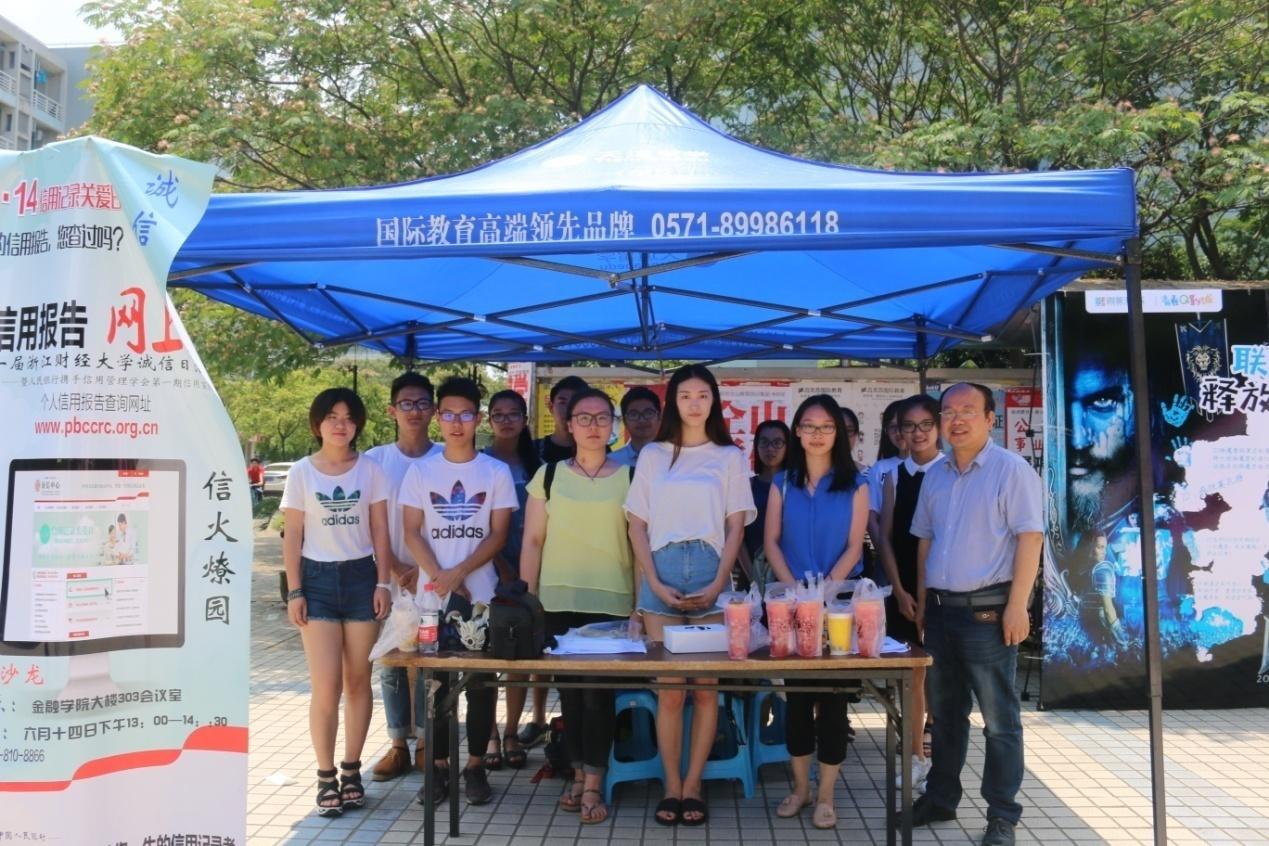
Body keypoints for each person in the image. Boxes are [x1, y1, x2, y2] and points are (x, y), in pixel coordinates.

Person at [909, 383, 1044, 846]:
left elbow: (1030, 538)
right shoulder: (936, 475)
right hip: (940, 612)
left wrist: (1018, 606)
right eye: (948, 412)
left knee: (999, 720)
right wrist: (922, 603)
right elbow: (925, 541)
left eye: (968, 410)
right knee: (945, 715)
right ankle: (940, 798)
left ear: (990, 419)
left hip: (989, 613)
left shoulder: (1011, 470)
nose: (956, 419)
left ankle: (1002, 816)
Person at [625, 364, 756, 827]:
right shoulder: (653, 455)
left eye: (703, 395)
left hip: (709, 568)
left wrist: (720, 582)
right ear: (673, 403)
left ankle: (694, 785)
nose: (694, 403)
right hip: (660, 568)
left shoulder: (729, 456)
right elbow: (636, 525)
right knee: (670, 692)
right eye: (685, 395)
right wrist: (653, 582)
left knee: (705, 689)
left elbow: (736, 526)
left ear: (714, 401)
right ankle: (671, 785)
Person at [399, 377, 518, 807]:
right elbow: (412, 532)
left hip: (481, 598)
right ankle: (439, 768)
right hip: (433, 599)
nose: (456, 422)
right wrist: (441, 576)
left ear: (477, 419)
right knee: (436, 686)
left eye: (465, 414)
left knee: (481, 684)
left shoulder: (495, 472)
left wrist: (462, 572)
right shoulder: (420, 472)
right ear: (437, 417)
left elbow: (498, 534)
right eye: (447, 414)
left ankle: (475, 766)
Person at [520, 388, 635, 824]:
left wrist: (641, 607)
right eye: (583, 417)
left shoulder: (630, 478)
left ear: (614, 426)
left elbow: (638, 546)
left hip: (612, 601)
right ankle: (578, 771)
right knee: (569, 694)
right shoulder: (548, 475)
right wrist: (528, 600)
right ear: (568, 425)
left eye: (602, 417)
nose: (593, 426)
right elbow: (533, 541)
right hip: (557, 600)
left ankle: (593, 782)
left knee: (598, 696)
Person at [281, 387, 393, 817]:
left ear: (358, 424)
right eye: (331, 416)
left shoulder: (371, 470)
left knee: (359, 680)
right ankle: (325, 776)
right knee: (326, 685)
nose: (340, 424)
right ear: (318, 423)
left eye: (348, 417)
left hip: (362, 578)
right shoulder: (301, 472)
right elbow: (293, 535)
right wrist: (295, 591)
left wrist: (383, 583)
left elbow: (380, 530)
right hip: (318, 581)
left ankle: (351, 771)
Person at [764, 394, 869, 830]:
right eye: (809, 425)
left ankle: (826, 794)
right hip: (791, 606)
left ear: (838, 434)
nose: (818, 434)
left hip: (839, 606)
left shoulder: (856, 484)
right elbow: (770, 541)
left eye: (827, 427)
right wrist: (795, 591)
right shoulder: (783, 483)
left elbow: (855, 546)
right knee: (796, 701)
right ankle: (800, 788)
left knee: (833, 702)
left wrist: (824, 593)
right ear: (797, 431)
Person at [365, 372, 443, 782]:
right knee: (391, 659)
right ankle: (398, 744)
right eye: (406, 404)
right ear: (392, 410)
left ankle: (429, 742)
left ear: (434, 410)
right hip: (388, 575)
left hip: (437, 578)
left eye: (422, 403)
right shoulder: (375, 460)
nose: (414, 411)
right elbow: (366, 521)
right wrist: (395, 567)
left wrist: (425, 569)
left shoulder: (448, 456)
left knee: (433, 659)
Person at [878, 394, 944, 794]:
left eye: (925, 425)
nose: (916, 433)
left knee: (943, 677)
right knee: (912, 676)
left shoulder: (950, 472)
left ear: (938, 427)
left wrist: (922, 593)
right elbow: (884, 538)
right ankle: (916, 757)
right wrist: (900, 591)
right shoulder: (893, 476)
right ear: (898, 431)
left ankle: (941, 761)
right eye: (908, 426)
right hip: (901, 590)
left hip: (941, 590)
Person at [485, 388, 542, 770]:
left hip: (530, 572)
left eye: (513, 414)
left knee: (519, 654)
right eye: (498, 414)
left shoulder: (537, 464)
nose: (506, 421)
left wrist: (528, 573)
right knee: (488, 654)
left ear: (525, 419)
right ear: (489, 420)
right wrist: (501, 564)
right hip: (487, 569)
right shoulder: (480, 463)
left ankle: (511, 733)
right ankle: (489, 734)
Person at [738, 419, 790, 590]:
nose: (770, 449)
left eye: (777, 443)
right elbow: (737, 537)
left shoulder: (797, 487)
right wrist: (753, 578)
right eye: (764, 442)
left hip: (789, 577)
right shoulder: (747, 486)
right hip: (751, 575)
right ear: (756, 446)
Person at [867, 400, 908, 574]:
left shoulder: (939, 464)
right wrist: (886, 556)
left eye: (903, 425)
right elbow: (872, 518)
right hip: (888, 559)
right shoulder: (881, 468)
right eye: (892, 427)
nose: (898, 432)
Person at [536, 375, 590, 464]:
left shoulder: (598, 450)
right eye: (562, 402)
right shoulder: (532, 450)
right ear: (551, 407)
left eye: (576, 402)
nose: (569, 409)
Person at [611, 386, 661, 467]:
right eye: (634, 414)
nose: (642, 420)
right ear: (625, 421)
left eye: (648, 413)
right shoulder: (612, 462)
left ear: (659, 417)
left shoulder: (676, 458)